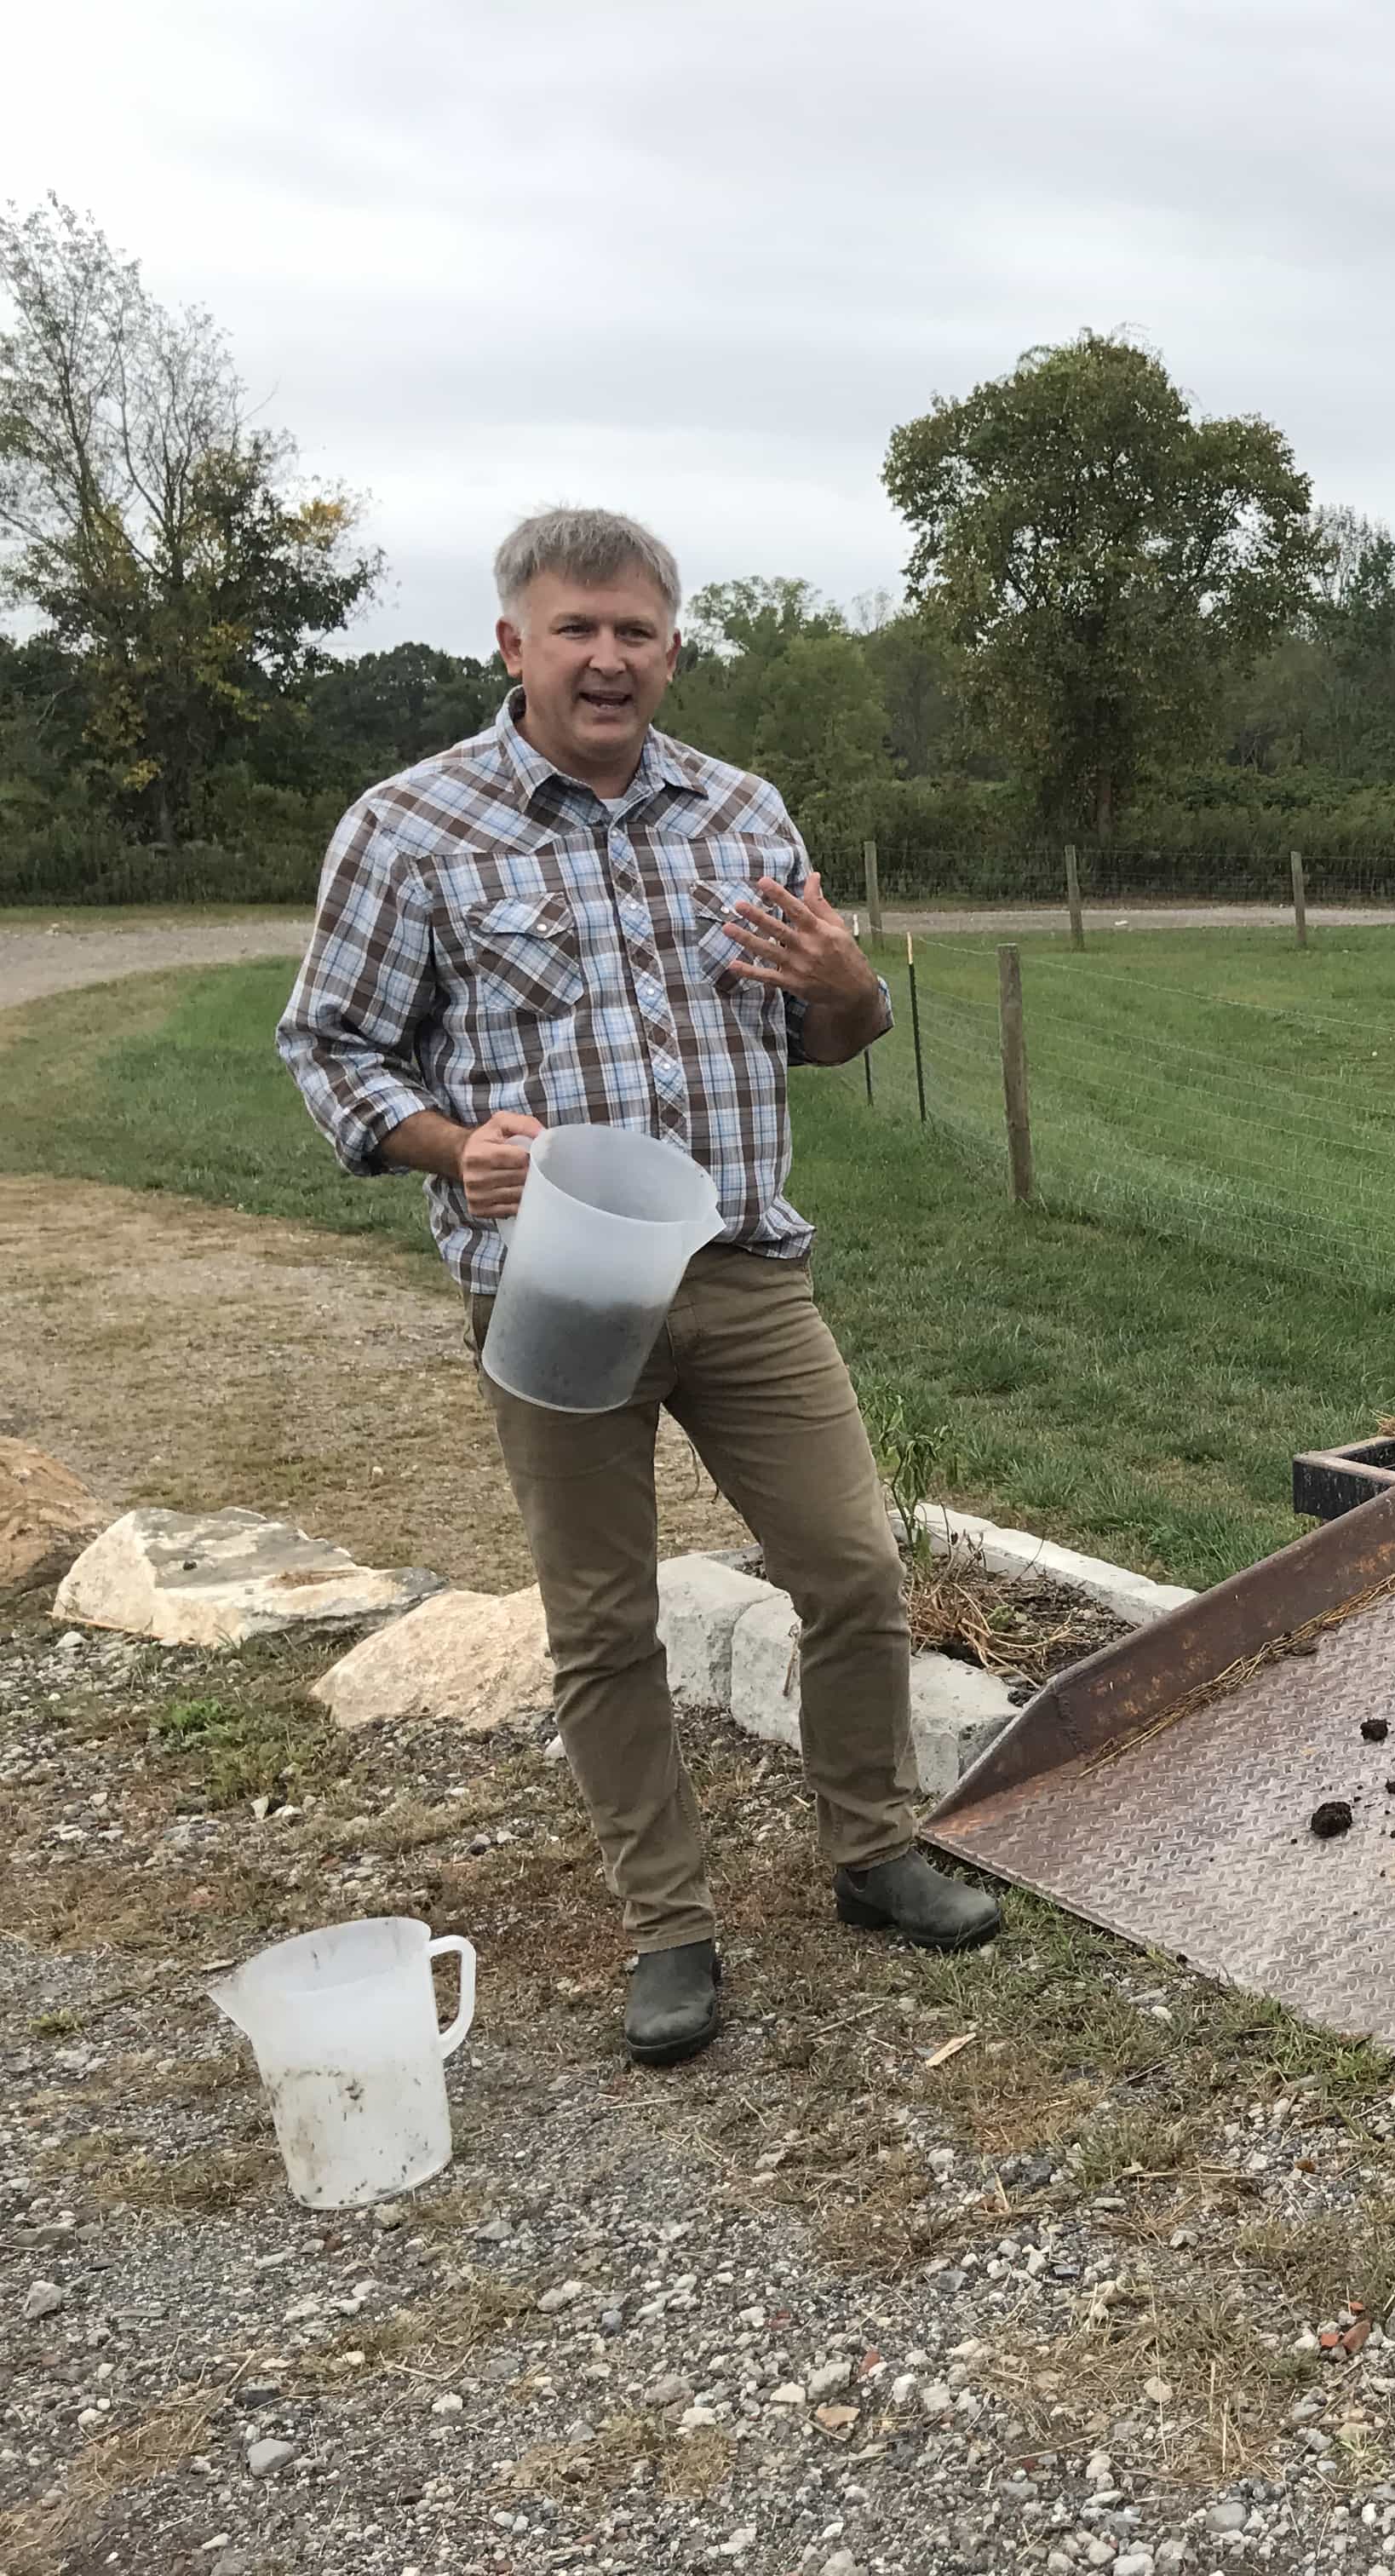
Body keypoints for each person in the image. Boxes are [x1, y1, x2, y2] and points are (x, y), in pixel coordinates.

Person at [276, 506, 1000, 2067]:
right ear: (514, 644)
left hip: (743, 1265)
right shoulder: (412, 828)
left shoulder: (744, 816)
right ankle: (669, 1929)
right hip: (557, 1288)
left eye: (638, 631)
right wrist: (448, 1146)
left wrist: (855, 989)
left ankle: (873, 1852)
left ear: (673, 647)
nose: (609, 658)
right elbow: (328, 1045)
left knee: (855, 1571)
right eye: (576, 628)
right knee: (604, 1623)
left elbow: (830, 1029)